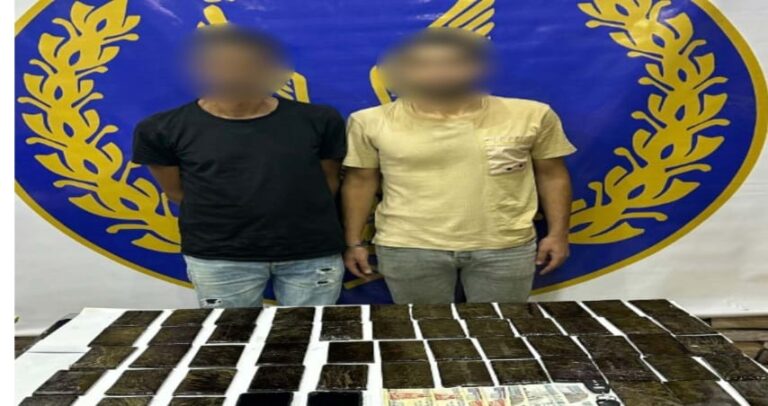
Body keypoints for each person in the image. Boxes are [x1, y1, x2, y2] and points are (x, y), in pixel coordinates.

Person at [342, 28, 576, 304]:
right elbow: (360, 182)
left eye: (453, 63)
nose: (440, 73)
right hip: (408, 246)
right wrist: (354, 242)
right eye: (424, 65)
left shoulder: (531, 114)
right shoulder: (369, 121)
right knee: (426, 326)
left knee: (499, 327)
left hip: (505, 246)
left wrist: (558, 234)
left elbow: (552, 176)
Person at [131, 26, 347, 307]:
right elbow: (176, 191)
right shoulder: (161, 129)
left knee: (310, 333)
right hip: (221, 257)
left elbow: (328, 181)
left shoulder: (319, 120)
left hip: (311, 254)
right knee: (230, 334)